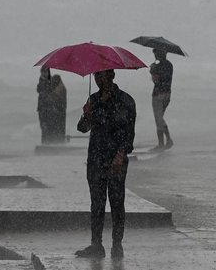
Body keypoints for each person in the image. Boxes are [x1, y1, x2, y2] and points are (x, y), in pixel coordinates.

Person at [75, 69, 136, 259]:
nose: (99, 79)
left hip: (116, 159)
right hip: (95, 158)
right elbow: (82, 129)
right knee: (97, 203)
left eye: (103, 75)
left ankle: (117, 244)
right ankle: (96, 244)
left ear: (112, 75)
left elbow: (129, 133)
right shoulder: (93, 100)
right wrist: (86, 115)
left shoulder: (126, 100)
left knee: (117, 203)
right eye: (96, 76)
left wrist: (120, 154)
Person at [150, 48, 173, 151]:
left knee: (158, 119)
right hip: (167, 95)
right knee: (160, 118)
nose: (154, 56)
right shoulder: (169, 65)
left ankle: (162, 143)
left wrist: (152, 71)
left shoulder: (157, 66)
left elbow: (156, 81)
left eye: (155, 53)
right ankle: (166, 141)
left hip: (158, 94)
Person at [36, 67, 67, 144]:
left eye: (45, 72)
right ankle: (48, 143)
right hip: (45, 110)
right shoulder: (44, 83)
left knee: (48, 129)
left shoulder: (51, 83)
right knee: (46, 128)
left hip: (49, 111)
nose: (44, 74)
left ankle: (49, 143)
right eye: (43, 72)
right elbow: (40, 89)